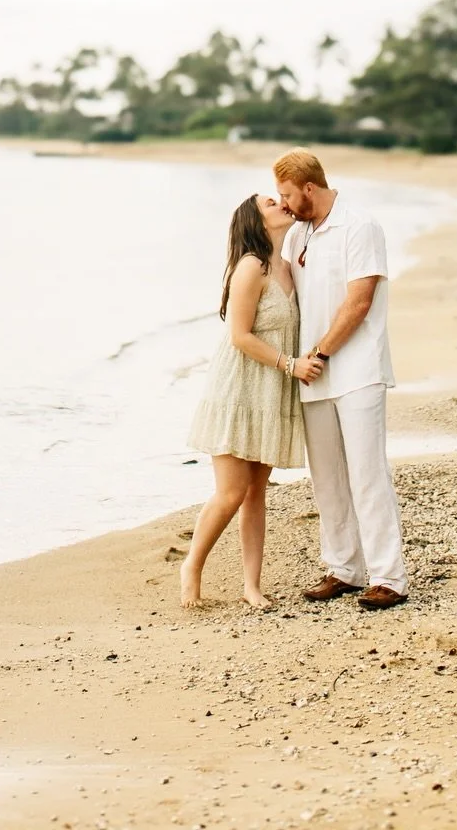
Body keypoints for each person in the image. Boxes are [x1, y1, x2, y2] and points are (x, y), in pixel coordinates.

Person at [274, 147, 408, 610]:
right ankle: (344, 569)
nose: (285, 203)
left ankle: (389, 576)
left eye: (288, 194)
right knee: (326, 476)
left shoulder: (360, 224)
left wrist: (321, 352)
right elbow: (287, 295)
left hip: (357, 368)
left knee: (368, 473)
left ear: (310, 187)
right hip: (313, 373)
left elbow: (359, 301)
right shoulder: (296, 235)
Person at [182, 193, 318, 608]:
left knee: (257, 492)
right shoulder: (251, 267)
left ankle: (251, 587)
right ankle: (191, 568)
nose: (282, 204)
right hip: (239, 388)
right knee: (231, 491)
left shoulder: (289, 265)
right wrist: (290, 365)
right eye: (271, 203)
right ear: (256, 221)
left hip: (270, 390)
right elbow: (240, 336)